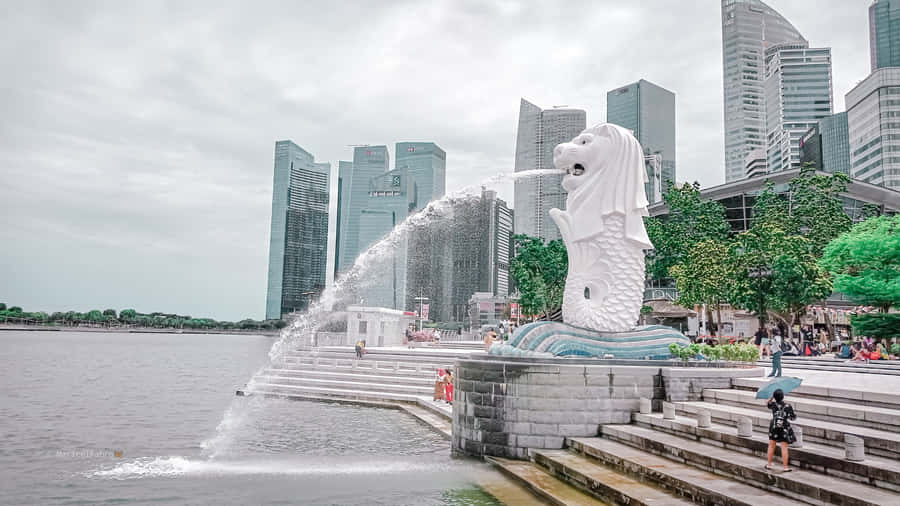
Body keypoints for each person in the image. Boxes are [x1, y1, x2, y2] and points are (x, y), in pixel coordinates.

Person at [766, 389, 797, 472]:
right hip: (784, 427)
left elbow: (767, 404)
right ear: (783, 396)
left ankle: (769, 464)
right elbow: (793, 417)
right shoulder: (788, 406)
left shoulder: (773, 405)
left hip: (774, 426)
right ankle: (785, 467)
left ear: (775, 397)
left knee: (771, 445)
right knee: (784, 447)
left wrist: (771, 397)